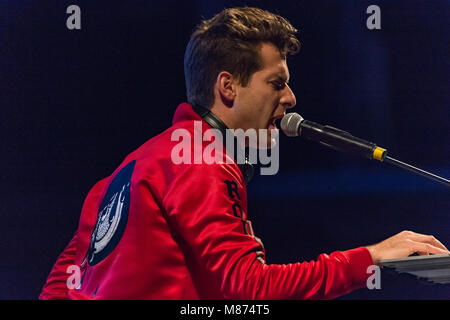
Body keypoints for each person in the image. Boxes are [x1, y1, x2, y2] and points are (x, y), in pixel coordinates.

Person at [40, 6, 449, 300]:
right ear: (228, 87)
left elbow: (61, 287)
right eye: (276, 82)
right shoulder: (201, 160)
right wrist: (371, 258)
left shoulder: (126, 172)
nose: (290, 97)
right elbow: (250, 289)